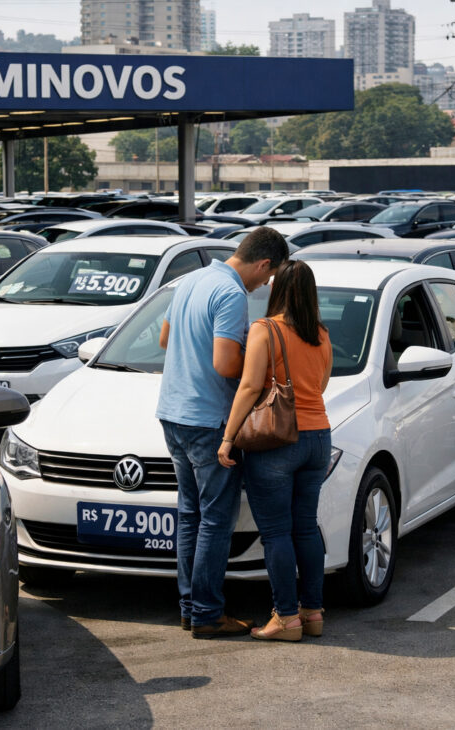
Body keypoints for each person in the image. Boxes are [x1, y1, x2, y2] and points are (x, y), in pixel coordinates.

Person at [157, 226, 289, 640]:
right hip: (209, 418)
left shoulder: (192, 280)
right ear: (263, 263)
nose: (264, 285)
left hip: (172, 413)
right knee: (215, 520)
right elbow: (224, 364)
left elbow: (164, 339)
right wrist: (257, 364)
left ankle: (189, 608)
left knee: (189, 516)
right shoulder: (231, 293)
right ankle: (208, 614)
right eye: (268, 277)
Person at [218, 260, 332, 642]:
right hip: (319, 438)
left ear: (276, 289)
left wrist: (228, 437)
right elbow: (321, 383)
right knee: (305, 527)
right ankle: (312, 613)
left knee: (277, 533)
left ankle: (285, 617)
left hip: (277, 442)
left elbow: (250, 388)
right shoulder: (321, 333)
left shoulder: (265, 329)